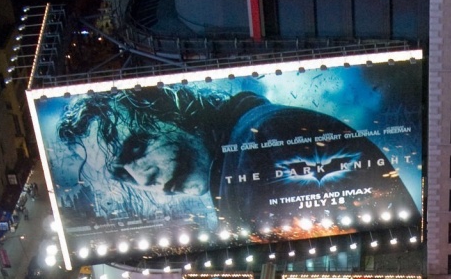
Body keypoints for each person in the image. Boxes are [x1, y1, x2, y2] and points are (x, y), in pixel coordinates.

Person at [52, 85, 420, 237]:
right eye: (122, 176)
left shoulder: (262, 138)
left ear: (175, 112)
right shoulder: (243, 152)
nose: (142, 177)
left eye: (136, 147)